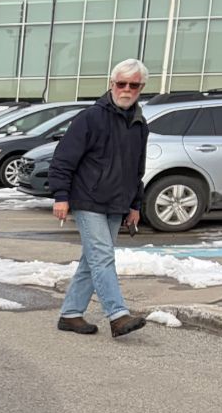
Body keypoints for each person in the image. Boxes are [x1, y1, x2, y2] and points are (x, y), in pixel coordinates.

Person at [49, 58, 152, 338]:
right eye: (121, 83)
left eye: (133, 85)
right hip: (88, 199)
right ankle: (117, 315)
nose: (126, 89)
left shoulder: (140, 124)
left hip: (117, 203)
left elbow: (137, 168)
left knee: (92, 259)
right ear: (111, 83)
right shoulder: (91, 117)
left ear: (141, 88)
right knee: (103, 257)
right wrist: (61, 195)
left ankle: (70, 314)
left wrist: (135, 204)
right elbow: (63, 158)